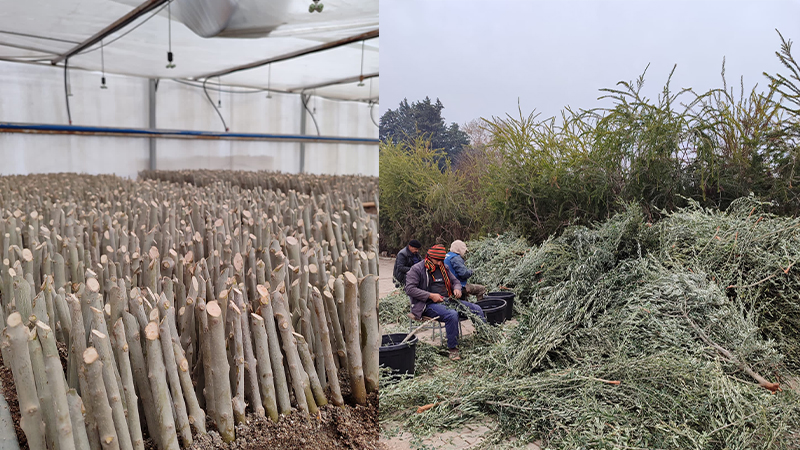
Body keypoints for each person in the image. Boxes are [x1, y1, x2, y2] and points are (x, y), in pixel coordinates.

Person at [405, 244, 485, 361]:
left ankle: (483, 337)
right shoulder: (417, 269)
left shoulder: (444, 267)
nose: (439, 263)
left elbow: (455, 281)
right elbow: (410, 289)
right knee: (452, 315)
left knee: (476, 308)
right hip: (427, 305)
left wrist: (457, 288)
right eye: (437, 260)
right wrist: (430, 295)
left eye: (441, 260)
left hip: (447, 300)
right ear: (430, 257)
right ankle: (453, 349)